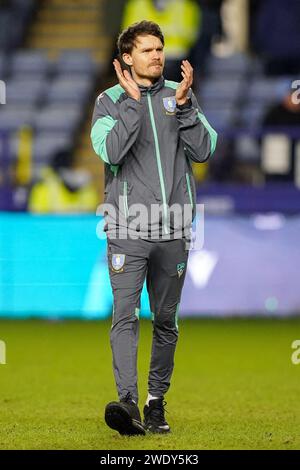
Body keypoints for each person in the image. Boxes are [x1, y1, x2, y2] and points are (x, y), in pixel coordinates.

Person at [90, 20, 217, 436]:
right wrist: (130, 103)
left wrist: (184, 108)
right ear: (127, 58)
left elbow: (204, 148)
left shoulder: (178, 96)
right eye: (147, 50)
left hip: (176, 229)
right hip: (128, 227)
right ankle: (127, 402)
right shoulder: (108, 102)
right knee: (125, 316)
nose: (158, 56)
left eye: (160, 49)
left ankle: (155, 403)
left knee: (166, 321)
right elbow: (110, 151)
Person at [28, 149, 98, 214]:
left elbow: (90, 214)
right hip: (52, 226)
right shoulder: (43, 186)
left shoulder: (86, 186)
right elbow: (37, 218)